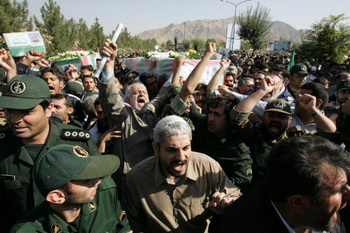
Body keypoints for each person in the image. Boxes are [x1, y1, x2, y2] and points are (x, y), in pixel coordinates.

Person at [0, 75, 99, 232]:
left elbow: (99, 192)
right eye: (9, 111)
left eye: (26, 112)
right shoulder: (3, 146)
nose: (14, 119)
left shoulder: (77, 142)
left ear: (49, 110)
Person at [124, 115, 241, 233]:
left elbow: (237, 198)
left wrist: (227, 201)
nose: (181, 157)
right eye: (172, 150)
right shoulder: (136, 179)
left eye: (185, 148)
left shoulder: (207, 167)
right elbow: (134, 225)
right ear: (156, 148)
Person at [211, 135, 350, 233]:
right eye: (339, 189)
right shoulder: (239, 226)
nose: (347, 193)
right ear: (298, 203)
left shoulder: (326, 209)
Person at [171, 43, 252, 191]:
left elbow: (242, 180)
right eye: (211, 113)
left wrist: (209, 182)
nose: (211, 118)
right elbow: (190, 91)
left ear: (229, 118)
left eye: (217, 115)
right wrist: (209, 58)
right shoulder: (203, 123)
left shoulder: (238, 147)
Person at [10, 144, 131, 233]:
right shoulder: (28, 230)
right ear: (57, 196)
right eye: (86, 180)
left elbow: (123, 228)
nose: (97, 181)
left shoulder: (105, 193)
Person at [231, 77, 292, 185]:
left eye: (281, 117)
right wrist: (262, 91)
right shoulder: (256, 132)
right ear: (264, 117)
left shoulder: (294, 141)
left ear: (289, 120)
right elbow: (237, 116)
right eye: (271, 115)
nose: (275, 120)